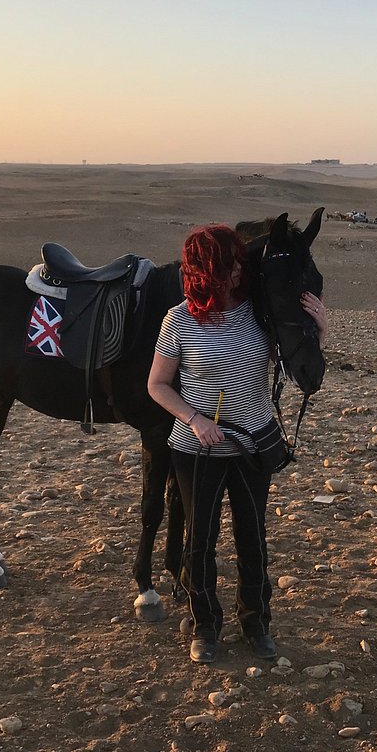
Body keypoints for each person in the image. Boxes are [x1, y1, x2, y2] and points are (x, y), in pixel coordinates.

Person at [147, 224, 327, 664]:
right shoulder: (179, 320)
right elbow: (157, 385)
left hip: (253, 446)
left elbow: (291, 359)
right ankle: (205, 625)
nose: (235, 274)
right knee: (199, 541)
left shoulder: (258, 312)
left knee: (253, 538)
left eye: (237, 265)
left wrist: (319, 331)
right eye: (226, 266)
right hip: (197, 451)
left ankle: (255, 622)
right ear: (204, 271)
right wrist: (193, 419)